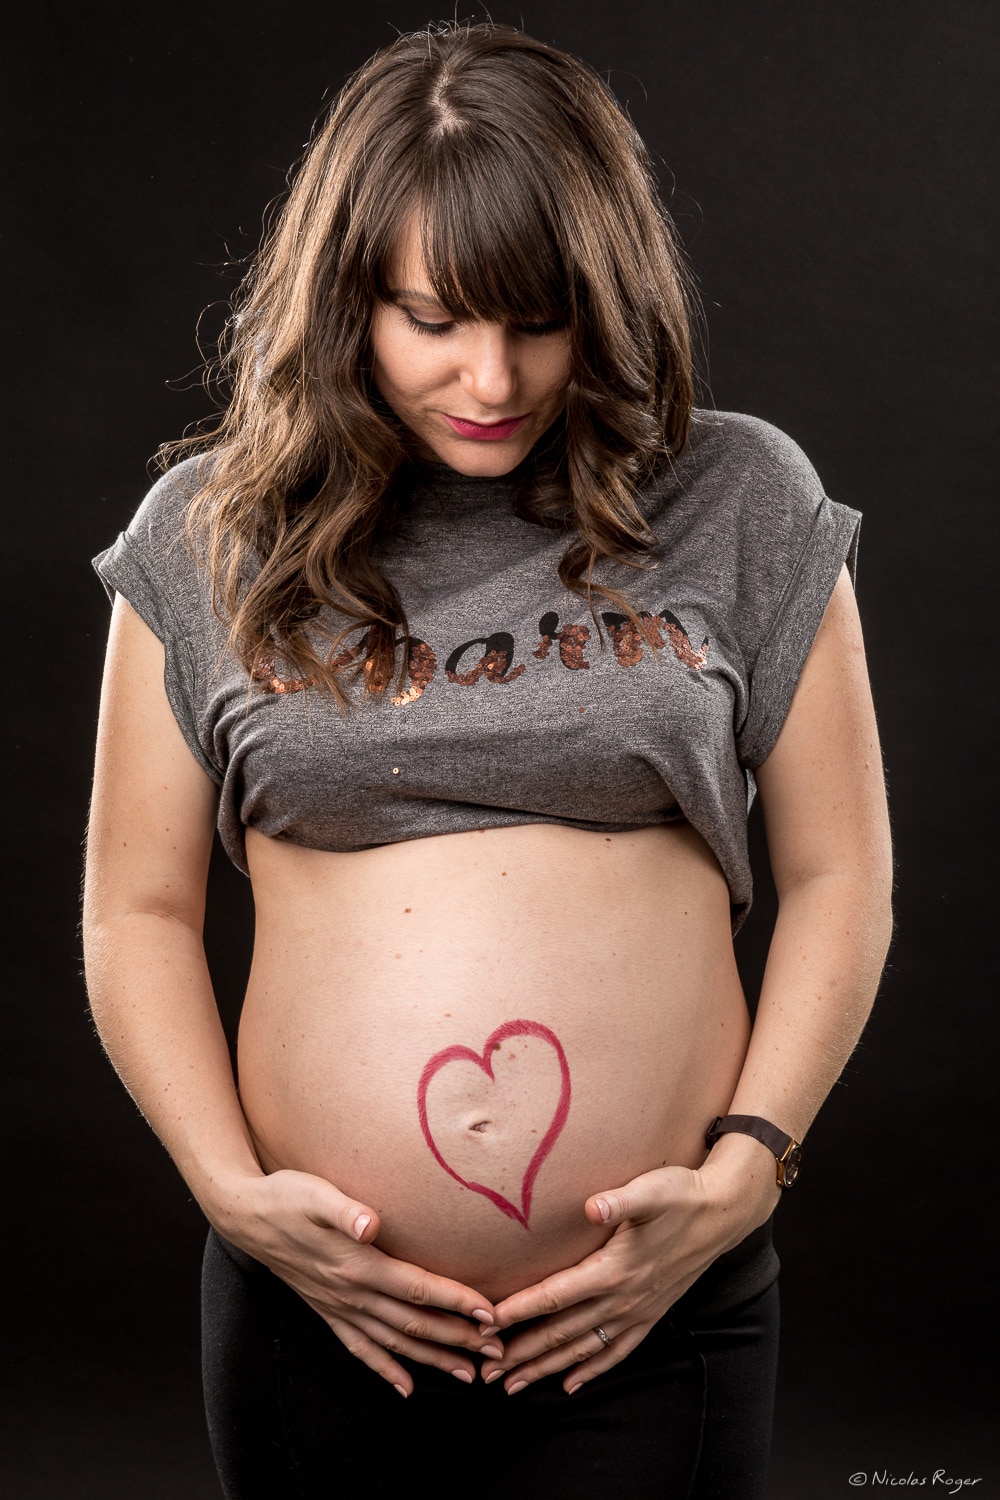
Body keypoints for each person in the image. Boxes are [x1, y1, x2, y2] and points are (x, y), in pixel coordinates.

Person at [83, 21, 893, 1500]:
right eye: (434, 319)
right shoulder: (209, 535)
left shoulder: (742, 497)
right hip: (323, 1320)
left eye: (539, 319)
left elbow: (843, 877)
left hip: (651, 1322)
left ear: (608, 297)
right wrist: (233, 1195)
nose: (492, 374)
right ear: (349, 303)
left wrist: (746, 1169)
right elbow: (132, 910)